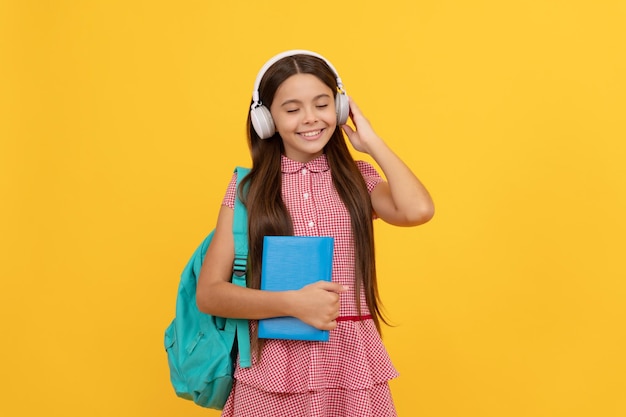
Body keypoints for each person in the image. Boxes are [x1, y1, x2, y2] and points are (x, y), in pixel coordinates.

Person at [196, 50, 434, 417]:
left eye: (322, 105)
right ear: (265, 119)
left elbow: (418, 210)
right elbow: (210, 294)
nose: (310, 119)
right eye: (292, 110)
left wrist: (371, 142)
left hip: (351, 364)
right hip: (272, 367)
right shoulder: (247, 190)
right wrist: (292, 303)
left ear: (339, 109)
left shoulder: (357, 181)